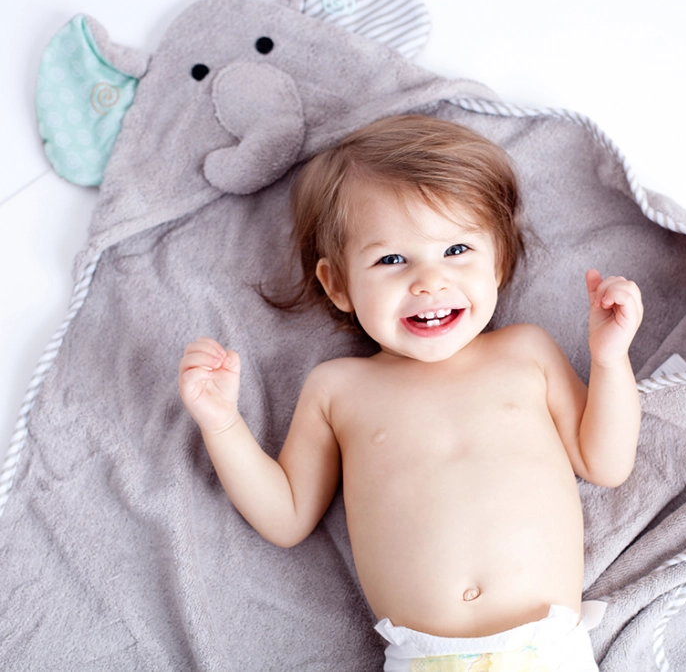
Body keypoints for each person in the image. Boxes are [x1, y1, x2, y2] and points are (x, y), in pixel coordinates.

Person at [178, 114, 643, 671]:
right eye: (392, 260)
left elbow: (605, 463)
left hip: (545, 650)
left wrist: (610, 360)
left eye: (456, 250)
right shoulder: (338, 389)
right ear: (338, 285)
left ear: (497, 260)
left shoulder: (526, 353)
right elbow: (287, 517)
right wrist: (222, 425)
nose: (429, 281)